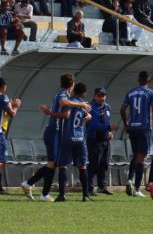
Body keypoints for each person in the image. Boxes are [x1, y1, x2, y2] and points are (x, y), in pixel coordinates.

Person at [21, 73, 91, 202]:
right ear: (72, 84)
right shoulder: (63, 95)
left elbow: (67, 112)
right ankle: (40, 191)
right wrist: (81, 106)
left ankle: (33, 186)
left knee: (53, 163)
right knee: (53, 163)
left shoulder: (66, 96)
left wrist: (86, 114)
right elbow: (65, 110)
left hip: (57, 132)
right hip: (54, 131)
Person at [47, 82, 92, 202]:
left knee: (63, 166)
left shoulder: (69, 101)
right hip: (80, 138)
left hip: (67, 137)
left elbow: (66, 114)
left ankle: (62, 195)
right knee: (82, 166)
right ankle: (85, 195)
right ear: (84, 93)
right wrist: (88, 116)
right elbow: (87, 115)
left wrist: (50, 113)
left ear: (73, 90)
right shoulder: (83, 105)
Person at [121, 71, 153, 197]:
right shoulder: (151, 93)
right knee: (141, 158)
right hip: (144, 128)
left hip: (132, 127)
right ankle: (138, 189)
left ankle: (129, 180)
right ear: (149, 80)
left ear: (138, 80)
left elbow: (123, 109)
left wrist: (126, 125)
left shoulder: (130, 92)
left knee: (135, 155)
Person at [86, 87, 116, 195]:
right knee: (94, 164)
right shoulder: (91, 107)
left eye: (103, 95)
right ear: (95, 96)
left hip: (105, 139)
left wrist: (109, 132)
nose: (101, 98)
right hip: (94, 139)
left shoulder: (107, 107)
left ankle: (102, 186)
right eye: (99, 96)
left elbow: (108, 120)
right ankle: (89, 188)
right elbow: (93, 125)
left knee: (104, 163)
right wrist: (108, 127)